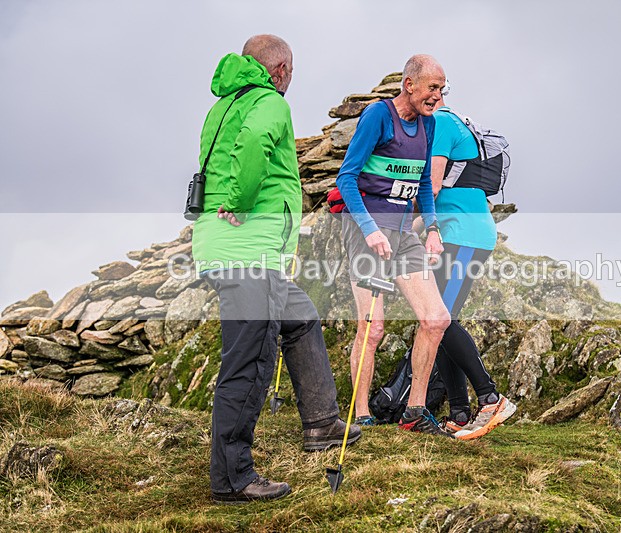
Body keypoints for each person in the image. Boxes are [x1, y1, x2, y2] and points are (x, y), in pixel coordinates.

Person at [191, 34, 360, 504]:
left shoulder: (224, 105)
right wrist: (241, 201)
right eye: (291, 71)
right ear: (280, 69)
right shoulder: (269, 102)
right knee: (249, 361)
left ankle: (322, 423)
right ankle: (233, 478)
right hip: (248, 252)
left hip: (230, 248)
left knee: (300, 318)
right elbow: (254, 145)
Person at [335, 54, 452, 437]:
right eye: (432, 88)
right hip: (366, 231)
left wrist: (431, 229)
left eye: (442, 89)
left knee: (436, 319)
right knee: (373, 328)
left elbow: (423, 184)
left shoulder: (429, 124)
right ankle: (361, 415)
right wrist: (369, 229)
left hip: (404, 234)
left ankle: (414, 411)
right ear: (409, 84)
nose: (438, 96)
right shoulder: (378, 116)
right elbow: (346, 177)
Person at [425, 91, 517, 439]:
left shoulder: (441, 122)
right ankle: (460, 413)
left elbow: (432, 186)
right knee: (440, 321)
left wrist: (403, 224)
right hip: (457, 233)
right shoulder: (451, 123)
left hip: (465, 236)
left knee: (440, 318)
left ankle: (491, 398)